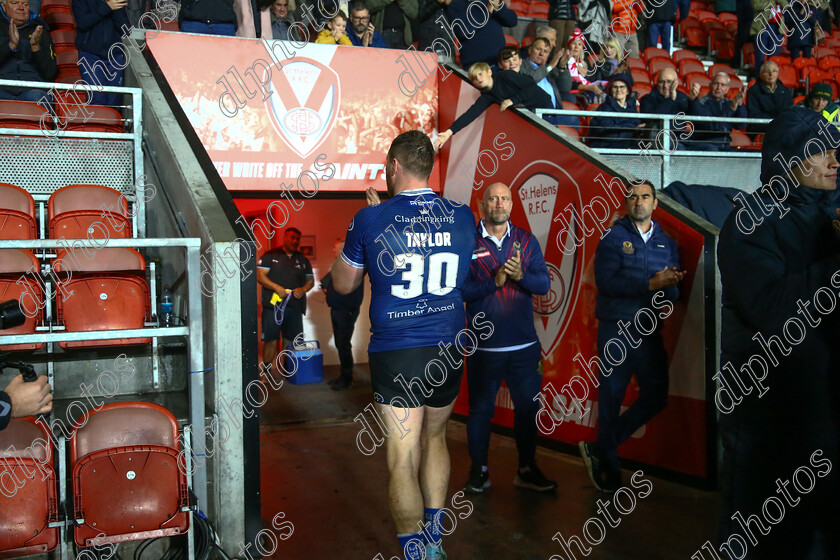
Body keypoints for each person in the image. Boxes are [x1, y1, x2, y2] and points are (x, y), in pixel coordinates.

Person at [330, 130, 477, 560]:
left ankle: (414, 553)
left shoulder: (370, 219)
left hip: (397, 351)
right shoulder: (462, 215)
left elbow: (343, 285)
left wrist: (369, 230)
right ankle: (435, 541)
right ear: (428, 166)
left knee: (401, 454)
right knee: (437, 438)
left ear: (393, 166)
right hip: (449, 346)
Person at [716, 105, 840, 559]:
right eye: (822, 152)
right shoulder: (749, 220)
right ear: (789, 161)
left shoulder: (831, 217)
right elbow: (772, 307)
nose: (835, 161)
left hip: (824, 416)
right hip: (767, 419)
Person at [579, 181, 684, 492]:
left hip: (649, 330)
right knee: (611, 399)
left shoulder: (665, 240)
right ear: (627, 203)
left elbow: (675, 290)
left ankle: (601, 447)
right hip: (617, 329)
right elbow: (607, 282)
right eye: (633, 197)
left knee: (656, 396)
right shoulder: (613, 237)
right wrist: (652, 284)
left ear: (655, 204)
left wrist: (670, 284)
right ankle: (610, 468)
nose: (639, 201)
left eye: (645, 197)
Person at [461, 182, 556, 495]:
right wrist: (496, 280)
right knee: (480, 412)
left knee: (528, 411)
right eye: (493, 198)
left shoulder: (525, 241)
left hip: (524, 349)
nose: (499, 203)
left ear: (512, 205)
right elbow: (461, 291)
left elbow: (542, 285)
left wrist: (519, 276)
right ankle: (480, 472)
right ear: (482, 204)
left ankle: (526, 469)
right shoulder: (467, 241)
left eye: (504, 199)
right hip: (483, 348)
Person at [433, 62, 551, 149]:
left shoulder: (505, 75)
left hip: (547, 109)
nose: (478, 78)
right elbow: (470, 114)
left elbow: (531, 85)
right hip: (532, 117)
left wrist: (512, 100)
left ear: (489, 72)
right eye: (474, 78)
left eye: (480, 74)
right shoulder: (487, 96)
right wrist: (449, 132)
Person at [257, 227, 314, 373]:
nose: (295, 241)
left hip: (294, 307)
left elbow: (310, 281)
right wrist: (276, 287)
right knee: (271, 340)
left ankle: (289, 371)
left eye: (297, 239)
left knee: (292, 341)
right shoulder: (271, 255)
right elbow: (259, 276)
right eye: (292, 238)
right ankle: (267, 372)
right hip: (273, 307)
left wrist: (303, 289)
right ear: (285, 237)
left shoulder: (303, 260)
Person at [320, 239, 363, 390]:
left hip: (346, 310)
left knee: (343, 344)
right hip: (337, 309)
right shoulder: (337, 266)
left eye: (334, 248)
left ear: (342, 250)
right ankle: (343, 376)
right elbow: (324, 282)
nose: (332, 250)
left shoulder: (353, 267)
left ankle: (347, 379)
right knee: (340, 344)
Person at [73, 0, 130, 107]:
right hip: (90, 56)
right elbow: (83, 23)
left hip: (115, 57)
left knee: (114, 103)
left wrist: (115, 10)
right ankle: (95, 123)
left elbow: (126, 30)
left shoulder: (117, 1)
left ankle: (113, 124)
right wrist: (107, 7)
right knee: (96, 100)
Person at [0, 0, 57, 102]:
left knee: (39, 97)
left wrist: (35, 48)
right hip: (2, 90)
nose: (21, 7)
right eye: (15, 3)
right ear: (3, 6)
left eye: (25, 4)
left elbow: (50, 72)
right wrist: (11, 45)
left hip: (32, 91)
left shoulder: (40, 30)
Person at [437, 0, 517, 68]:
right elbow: (463, 31)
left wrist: (498, 7)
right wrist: (487, 11)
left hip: (499, 62)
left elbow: (512, 21)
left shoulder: (488, 1)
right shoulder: (455, 4)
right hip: (476, 66)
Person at [689, 72, 747, 151]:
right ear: (710, 85)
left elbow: (741, 125)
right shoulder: (702, 103)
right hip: (706, 145)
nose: (718, 88)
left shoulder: (729, 103)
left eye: (723, 85)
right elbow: (711, 127)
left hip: (725, 146)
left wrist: (739, 103)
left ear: (727, 89)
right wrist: (731, 109)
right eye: (716, 84)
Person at [588, 74, 644, 148]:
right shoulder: (604, 108)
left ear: (628, 91)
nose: (618, 90)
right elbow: (607, 132)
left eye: (622, 87)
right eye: (615, 87)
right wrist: (633, 129)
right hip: (607, 147)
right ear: (611, 90)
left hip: (628, 146)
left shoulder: (632, 108)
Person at [746, 61, 793, 133]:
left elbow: (790, 110)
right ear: (761, 75)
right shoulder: (754, 91)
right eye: (767, 72)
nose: (771, 74)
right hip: (762, 127)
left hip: (782, 126)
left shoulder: (784, 90)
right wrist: (775, 121)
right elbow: (754, 114)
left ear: (777, 73)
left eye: (774, 71)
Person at [750, 0, 787, 76]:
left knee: (773, 59)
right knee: (760, 57)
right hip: (762, 27)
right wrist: (772, 2)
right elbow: (756, 5)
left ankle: (772, 81)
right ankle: (759, 79)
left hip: (777, 28)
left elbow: (787, 7)